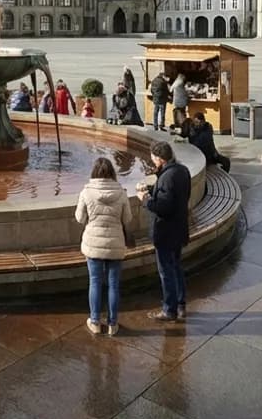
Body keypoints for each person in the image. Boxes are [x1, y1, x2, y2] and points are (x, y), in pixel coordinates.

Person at [75, 157, 132, 336]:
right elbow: (128, 219)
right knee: (113, 285)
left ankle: (95, 322)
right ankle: (113, 324)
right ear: (112, 172)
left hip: (93, 244)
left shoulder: (86, 192)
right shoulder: (121, 193)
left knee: (95, 282)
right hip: (115, 243)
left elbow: (79, 218)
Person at [141, 141, 190, 322]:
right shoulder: (182, 170)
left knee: (166, 271)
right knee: (177, 266)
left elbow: (163, 207)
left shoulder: (166, 177)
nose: (152, 161)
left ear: (160, 158)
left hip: (165, 232)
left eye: (153, 158)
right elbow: (175, 196)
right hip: (179, 228)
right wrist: (152, 189)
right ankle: (181, 304)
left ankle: (169, 310)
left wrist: (145, 200)